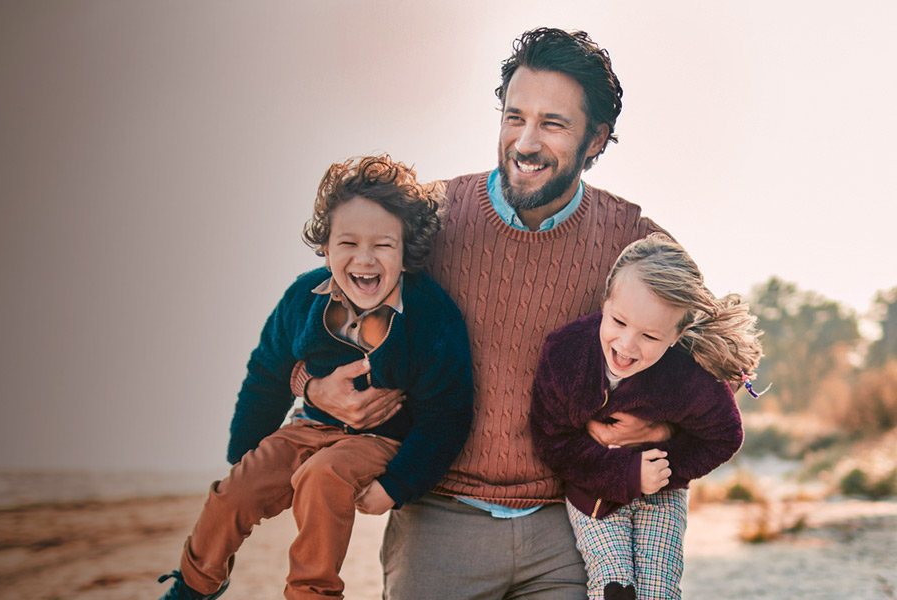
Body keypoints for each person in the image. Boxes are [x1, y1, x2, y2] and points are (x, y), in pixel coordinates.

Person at [292, 28, 668, 598]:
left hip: (571, 531)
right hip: (436, 522)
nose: (526, 142)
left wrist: (660, 426)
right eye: (515, 117)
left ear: (596, 138)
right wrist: (311, 387)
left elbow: (722, 359)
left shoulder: (630, 237)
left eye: (553, 124)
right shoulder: (427, 218)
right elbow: (306, 318)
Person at [157, 155, 474, 600]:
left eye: (383, 245)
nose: (364, 258)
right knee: (234, 492)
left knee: (323, 476)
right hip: (309, 426)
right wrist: (246, 452)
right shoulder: (302, 298)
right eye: (348, 242)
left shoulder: (431, 315)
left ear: (407, 253)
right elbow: (267, 371)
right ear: (326, 248)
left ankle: (312, 593)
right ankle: (194, 586)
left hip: (380, 439)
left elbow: (448, 411)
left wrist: (396, 485)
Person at [530, 234, 753, 600]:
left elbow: (724, 436)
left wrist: (663, 460)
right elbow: (551, 440)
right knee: (615, 586)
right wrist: (625, 473)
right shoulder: (565, 353)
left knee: (657, 590)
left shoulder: (686, 372)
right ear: (605, 302)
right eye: (618, 321)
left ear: (677, 335)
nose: (627, 345)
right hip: (595, 488)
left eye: (649, 336)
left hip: (662, 492)